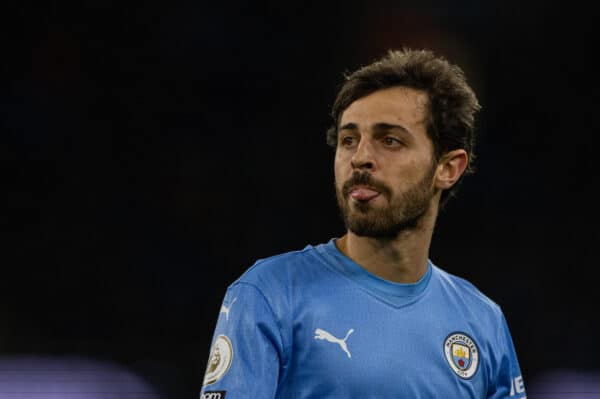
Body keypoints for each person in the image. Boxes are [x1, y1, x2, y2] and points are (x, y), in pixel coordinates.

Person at [200, 48, 526, 399]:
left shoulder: (483, 322)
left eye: (390, 140)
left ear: (448, 168)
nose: (361, 158)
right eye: (348, 140)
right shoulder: (269, 295)